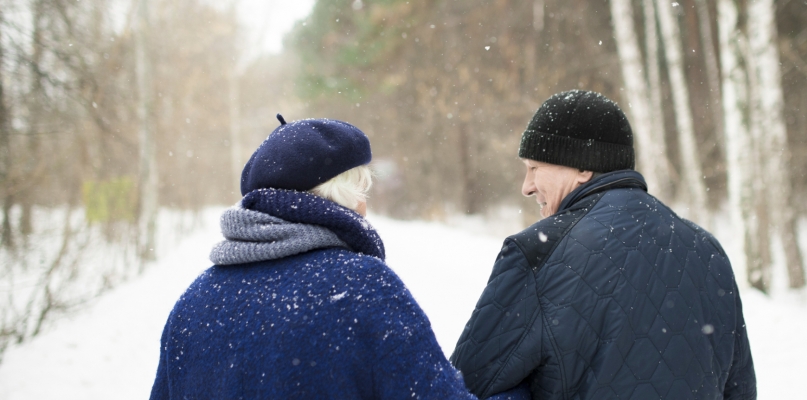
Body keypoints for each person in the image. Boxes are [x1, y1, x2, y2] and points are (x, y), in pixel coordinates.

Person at [150, 115, 529, 399]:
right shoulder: (362, 287)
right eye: (361, 190)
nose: (365, 207)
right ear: (341, 196)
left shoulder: (194, 302)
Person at [450, 90, 756, 399]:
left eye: (534, 168)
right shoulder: (706, 250)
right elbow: (739, 390)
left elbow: (464, 388)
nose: (527, 187)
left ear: (583, 167)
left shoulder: (538, 253)